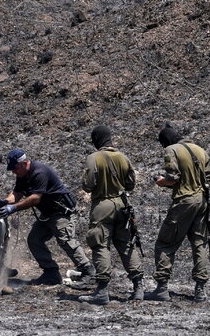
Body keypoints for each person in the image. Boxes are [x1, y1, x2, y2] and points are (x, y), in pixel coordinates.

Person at [0, 148, 95, 286]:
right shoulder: (22, 174)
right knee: (34, 239)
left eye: (15, 168)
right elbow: (17, 193)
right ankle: (51, 272)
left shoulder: (39, 172)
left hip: (61, 213)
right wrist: (6, 202)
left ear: (23, 163)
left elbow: (35, 198)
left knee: (66, 241)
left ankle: (88, 271)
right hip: (47, 214)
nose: (13, 172)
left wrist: (14, 208)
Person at [78, 125, 144, 305]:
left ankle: (102, 290)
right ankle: (138, 287)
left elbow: (88, 185)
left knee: (100, 245)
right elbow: (131, 184)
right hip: (123, 205)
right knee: (126, 245)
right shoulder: (123, 157)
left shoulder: (93, 158)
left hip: (102, 205)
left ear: (96, 140)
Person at [147, 124, 210, 303]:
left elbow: (173, 177)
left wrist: (161, 182)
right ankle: (200, 289)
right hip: (202, 201)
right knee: (199, 243)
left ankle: (161, 287)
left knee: (165, 243)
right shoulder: (200, 150)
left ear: (166, 141)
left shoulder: (171, 150)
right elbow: (208, 180)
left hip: (184, 201)